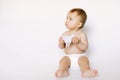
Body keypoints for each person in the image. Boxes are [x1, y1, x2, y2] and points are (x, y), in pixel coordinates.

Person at [55, 8, 98, 78]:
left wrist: (78, 43)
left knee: (84, 61)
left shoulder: (81, 34)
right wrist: (60, 43)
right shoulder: (65, 34)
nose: (67, 21)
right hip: (68, 56)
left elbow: (85, 47)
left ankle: (86, 71)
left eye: (70, 19)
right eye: (67, 18)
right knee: (63, 61)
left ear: (79, 24)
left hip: (80, 56)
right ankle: (63, 71)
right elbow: (62, 47)